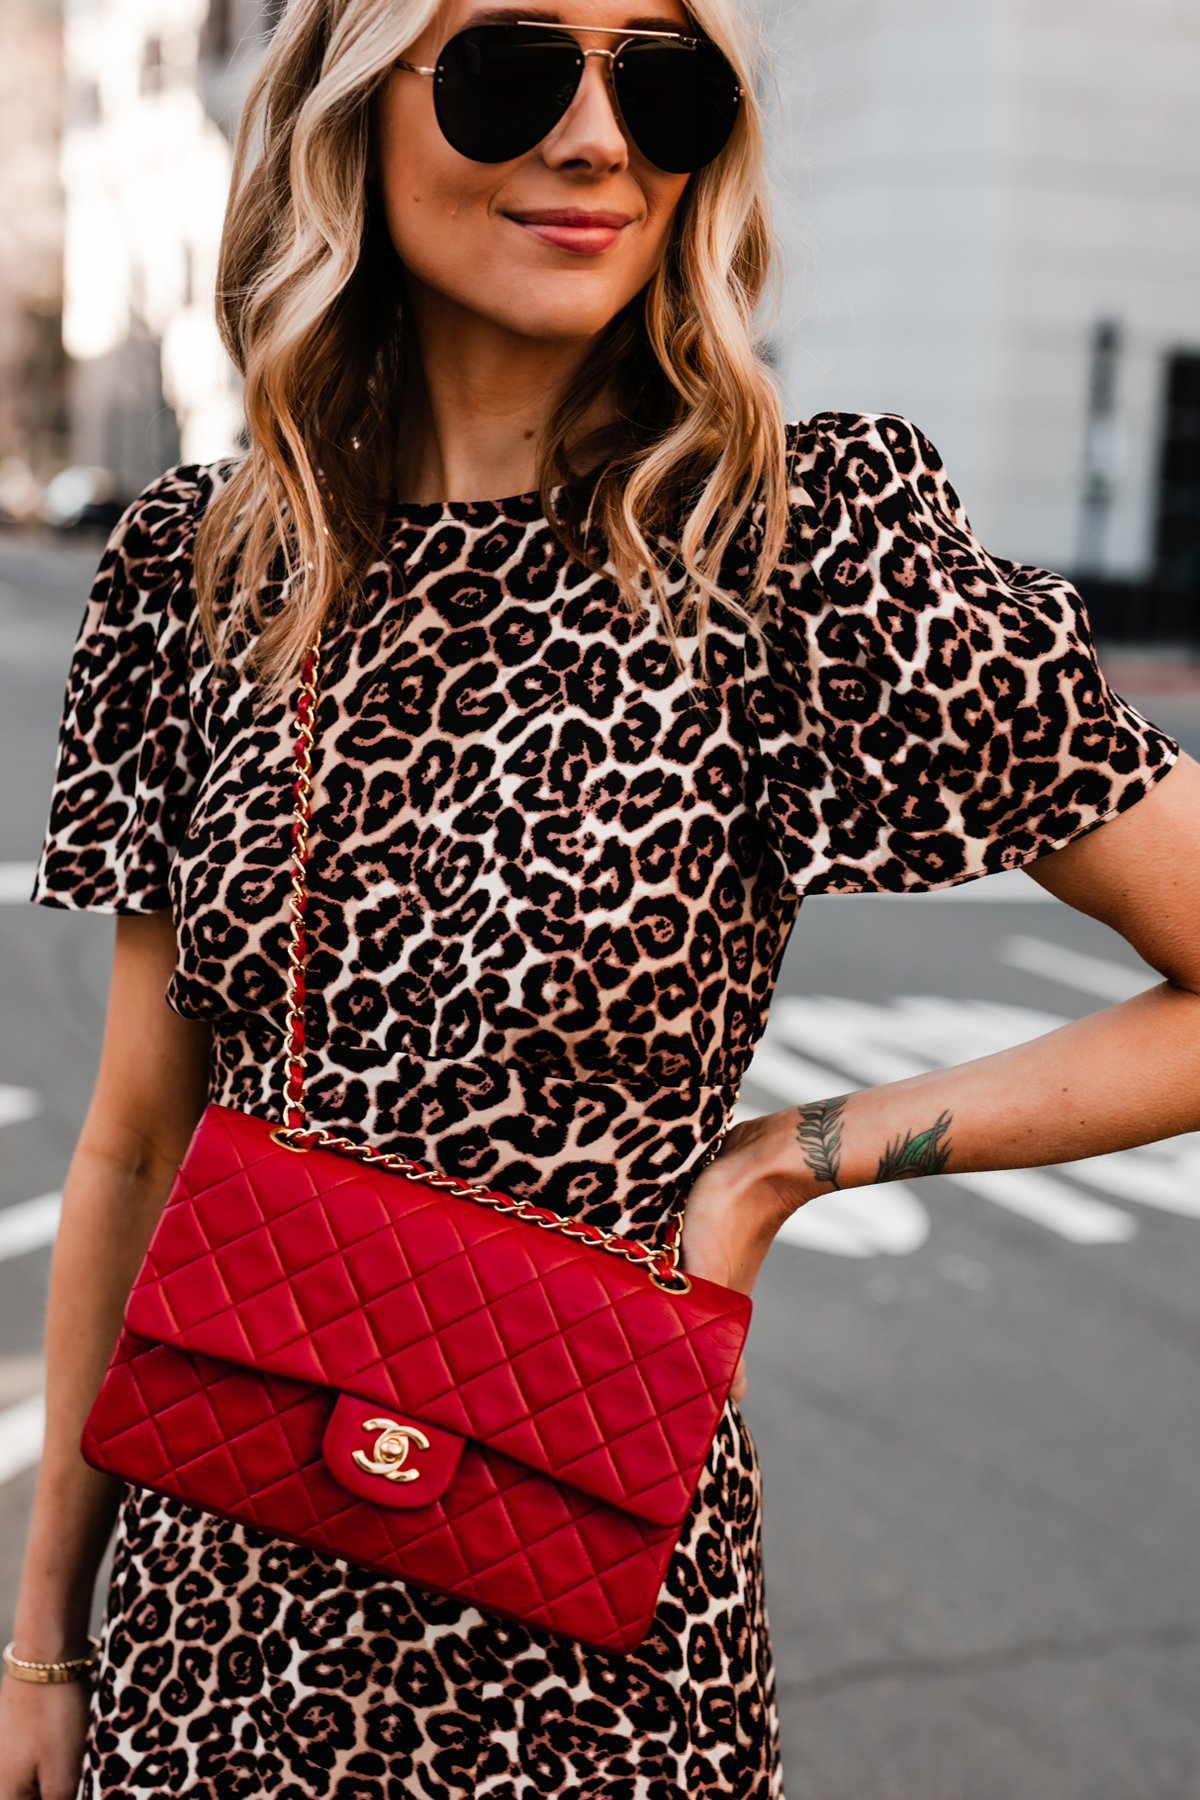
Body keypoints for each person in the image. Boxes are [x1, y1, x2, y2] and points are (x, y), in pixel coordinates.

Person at [4, 0, 1200, 1793]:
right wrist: (44, 1640)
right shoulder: (206, 562)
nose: (594, 138)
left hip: (589, 1630)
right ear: (353, 116)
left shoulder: (796, 549)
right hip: (210, 1606)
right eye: (510, 67)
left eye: (661, 77)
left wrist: (789, 1163)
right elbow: (129, 1142)